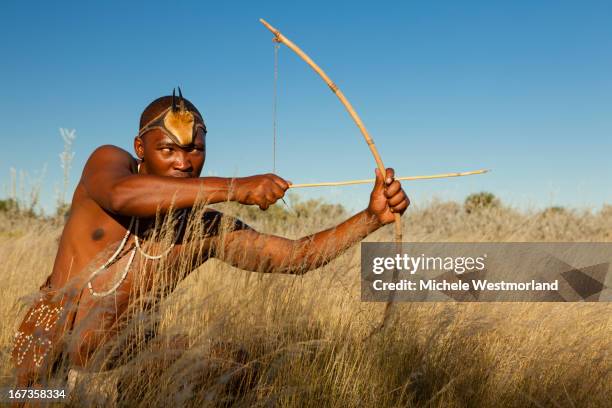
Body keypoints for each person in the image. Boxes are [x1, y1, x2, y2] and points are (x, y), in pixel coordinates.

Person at [12, 89, 409, 389]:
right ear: (140, 148)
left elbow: (294, 257)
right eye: (167, 149)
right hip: (52, 330)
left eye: (195, 149)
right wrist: (237, 188)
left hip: (128, 350)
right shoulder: (109, 163)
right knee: (32, 399)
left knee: (231, 368)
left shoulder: (202, 227)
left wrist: (371, 218)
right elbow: (121, 195)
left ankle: (129, 393)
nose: (184, 162)